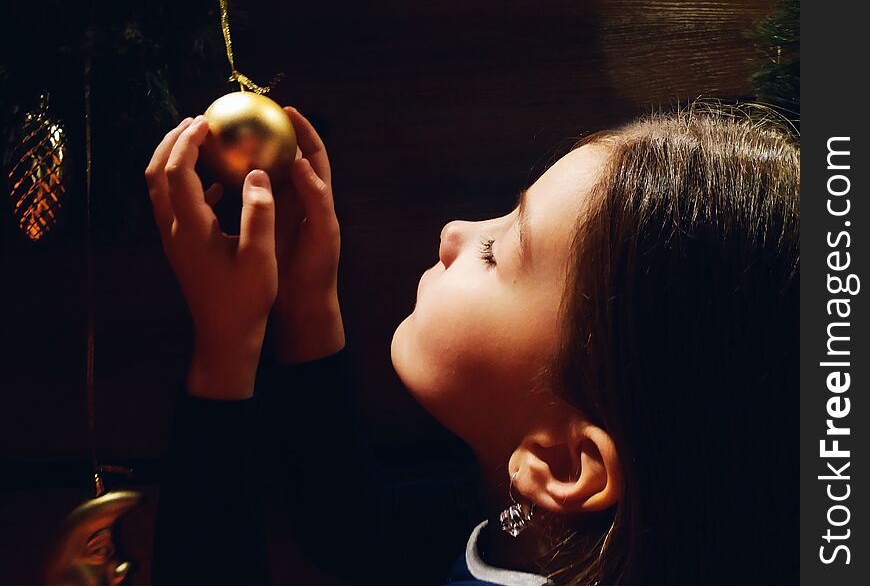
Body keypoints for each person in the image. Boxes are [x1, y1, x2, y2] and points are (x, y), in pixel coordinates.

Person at [145, 102, 800, 585]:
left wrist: (225, 350)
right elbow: (354, 534)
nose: (455, 231)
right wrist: (306, 304)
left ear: (566, 465)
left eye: (499, 251)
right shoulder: (532, 531)